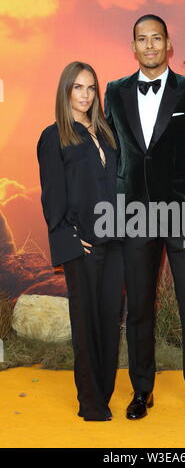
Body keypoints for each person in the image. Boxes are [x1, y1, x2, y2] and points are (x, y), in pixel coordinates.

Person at [104, 15, 185, 422]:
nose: (149, 45)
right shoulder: (114, 92)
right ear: (132, 46)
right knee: (137, 307)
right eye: (142, 39)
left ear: (169, 44)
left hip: (183, 213)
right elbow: (112, 155)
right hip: (135, 214)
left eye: (157, 38)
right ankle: (141, 390)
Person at [37, 61, 124, 421]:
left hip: (115, 241)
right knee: (86, 325)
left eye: (91, 88)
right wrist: (69, 238)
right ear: (66, 91)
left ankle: (104, 392)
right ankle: (89, 403)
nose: (86, 95)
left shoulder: (107, 133)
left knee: (108, 321)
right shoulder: (53, 135)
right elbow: (52, 196)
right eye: (78, 88)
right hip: (82, 246)